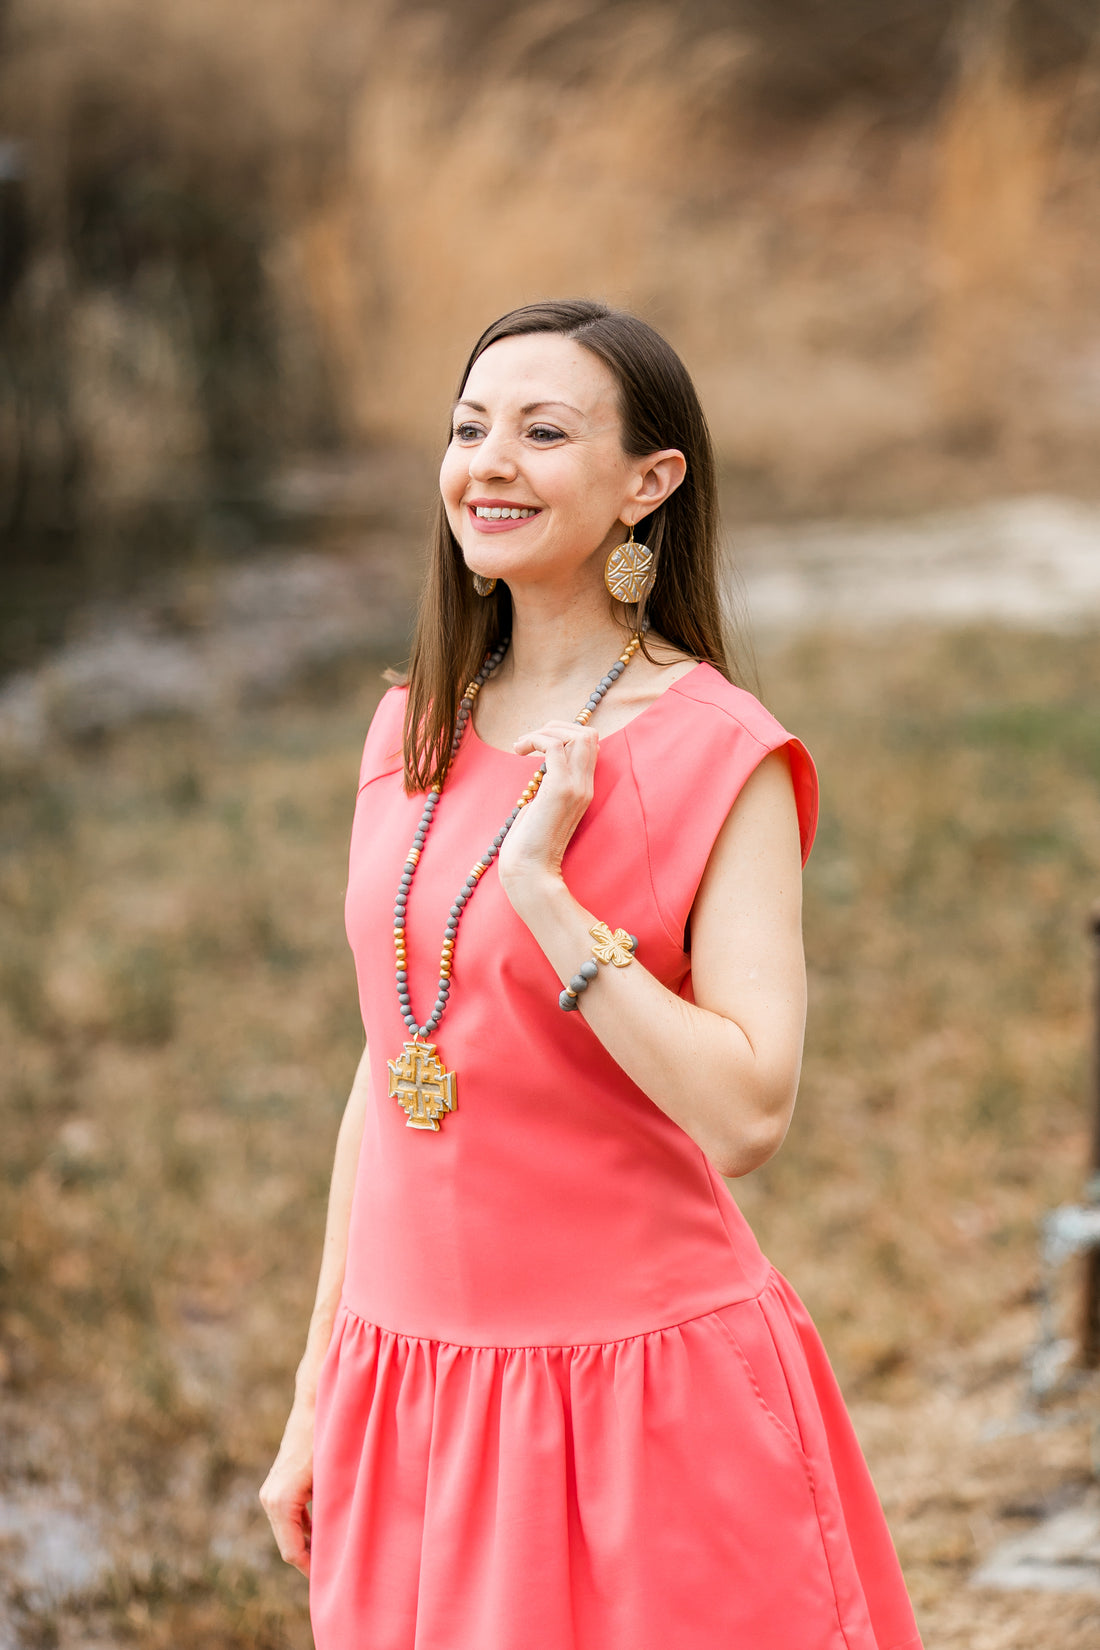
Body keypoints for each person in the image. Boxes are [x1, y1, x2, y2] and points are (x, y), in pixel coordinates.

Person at [259, 299, 923, 1650]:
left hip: (637, 1410)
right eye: (468, 428)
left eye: (542, 431)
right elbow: (390, 1071)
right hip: (415, 1397)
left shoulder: (719, 752)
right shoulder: (412, 730)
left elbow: (747, 1114)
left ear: (648, 482)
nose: (488, 462)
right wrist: (316, 1391)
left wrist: (552, 903)